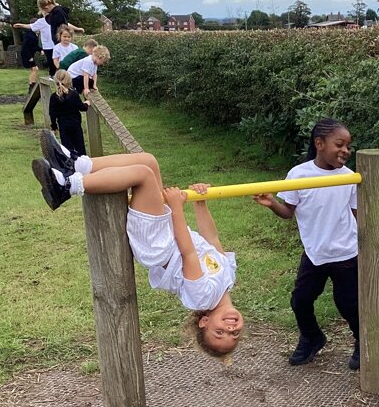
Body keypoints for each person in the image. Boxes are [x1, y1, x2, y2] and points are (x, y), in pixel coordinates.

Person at [31, 133, 244, 361]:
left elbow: (188, 252)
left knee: (143, 175)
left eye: (219, 332)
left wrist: (177, 208)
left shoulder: (203, 298)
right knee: (148, 161)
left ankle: (66, 187)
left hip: (157, 246)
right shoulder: (229, 278)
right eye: (234, 334)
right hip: (166, 236)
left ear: (204, 322)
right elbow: (211, 238)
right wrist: (201, 203)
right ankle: (75, 165)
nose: (229, 328)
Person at [253, 119, 360, 370]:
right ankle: (312, 337)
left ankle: (362, 341)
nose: (345, 150)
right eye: (339, 144)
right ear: (319, 143)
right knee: (300, 300)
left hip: (345, 252)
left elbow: (356, 214)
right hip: (314, 252)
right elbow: (288, 212)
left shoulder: (350, 177)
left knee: (349, 304)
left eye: (348, 146)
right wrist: (272, 204)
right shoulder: (299, 174)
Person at [13, 0, 83, 77]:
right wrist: (21, 25)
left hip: (59, 42)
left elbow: (64, 24)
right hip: (53, 44)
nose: (46, 13)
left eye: (45, 11)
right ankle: (56, 74)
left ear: (46, 7)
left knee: (61, 59)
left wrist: (77, 29)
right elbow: (34, 25)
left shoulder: (56, 13)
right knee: (54, 61)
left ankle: (62, 75)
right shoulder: (54, 13)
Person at [49, 70, 90, 156]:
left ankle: (70, 163)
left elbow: (52, 113)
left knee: (67, 150)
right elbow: (82, 108)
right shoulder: (73, 94)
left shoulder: (54, 97)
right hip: (75, 124)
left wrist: (54, 126)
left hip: (63, 125)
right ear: (69, 80)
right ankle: (83, 162)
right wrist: (86, 103)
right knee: (80, 148)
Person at [19, 19, 41, 94]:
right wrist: (29, 57)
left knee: (34, 69)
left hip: (30, 54)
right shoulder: (29, 35)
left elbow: (34, 46)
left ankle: (32, 85)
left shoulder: (33, 34)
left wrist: (40, 50)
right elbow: (25, 47)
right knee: (35, 69)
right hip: (27, 55)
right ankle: (32, 85)